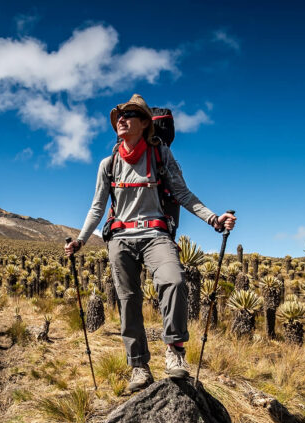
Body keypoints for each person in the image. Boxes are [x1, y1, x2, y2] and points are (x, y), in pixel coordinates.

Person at [65, 94, 236, 392]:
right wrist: (80, 240)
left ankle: (174, 352)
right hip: (120, 238)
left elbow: (184, 194)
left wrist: (213, 219)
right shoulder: (108, 164)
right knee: (128, 300)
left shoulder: (161, 156)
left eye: (130, 114)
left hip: (156, 235)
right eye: (119, 114)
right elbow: (97, 207)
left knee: (174, 281)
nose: (122, 119)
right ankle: (139, 366)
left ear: (145, 123)